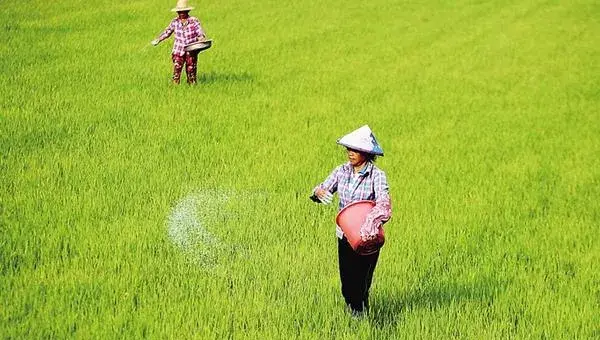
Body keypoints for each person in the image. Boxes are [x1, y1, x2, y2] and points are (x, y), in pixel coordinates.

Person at [311, 125, 392, 316]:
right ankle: (354, 309)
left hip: (368, 235)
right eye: (349, 149)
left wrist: (373, 220)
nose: (350, 153)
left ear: (366, 153)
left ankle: (360, 313)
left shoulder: (377, 176)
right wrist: (318, 192)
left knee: (363, 279)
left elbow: (384, 202)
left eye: (355, 149)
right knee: (347, 279)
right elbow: (323, 188)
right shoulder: (342, 171)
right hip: (345, 235)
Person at [151, 0, 206, 84]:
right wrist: (158, 40)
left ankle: (192, 86)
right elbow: (167, 32)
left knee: (191, 70)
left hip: (191, 50)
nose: (181, 14)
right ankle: (175, 86)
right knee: (177, 69)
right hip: (178, 50)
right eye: (180, 12)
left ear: (187, 11)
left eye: (183, 12)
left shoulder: (194, 21)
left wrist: (201, 38)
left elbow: (200, 32)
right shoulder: (175, 22)